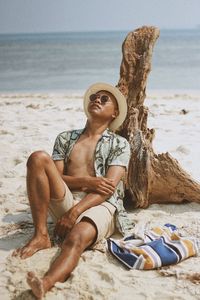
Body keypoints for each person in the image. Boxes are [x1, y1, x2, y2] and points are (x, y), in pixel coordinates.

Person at [13, 82, 132, 299]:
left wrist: (75, 212)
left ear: (114, 113)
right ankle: (41, 235)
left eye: (104, 99)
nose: (97, 99)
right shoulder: (65, 138)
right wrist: (87, 180)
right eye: (94, 96)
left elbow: (107, 189)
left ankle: (45, 283)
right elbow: (56, 178)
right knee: (38, 158)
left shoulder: (120, 144)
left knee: (75, 239)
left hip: (100, 204)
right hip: (66, 198)